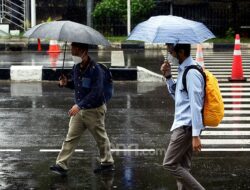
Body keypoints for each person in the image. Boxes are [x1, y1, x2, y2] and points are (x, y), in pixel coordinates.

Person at [50, 42, 114, 176]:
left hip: (94, 110)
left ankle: (107, 163)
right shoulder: (77, 67)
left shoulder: (95, 69)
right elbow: (77, 85)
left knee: (100, 138)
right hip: (79, 110)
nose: (72, 53)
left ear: (83, 51)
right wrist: (66, 83)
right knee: (70, 137)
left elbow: (96, 92)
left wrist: (79, 105)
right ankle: (61, 165)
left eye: (74, 51)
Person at [160, 44, 206, 190]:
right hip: (184, 125)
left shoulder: (191, 73)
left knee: (170, 163)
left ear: (181, 52)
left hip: (186, 127)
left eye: (170, 51)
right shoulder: (184, 70)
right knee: (183, 166)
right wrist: (168, 76)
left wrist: (196, 135)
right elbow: (179, 97)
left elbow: (196, 104)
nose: (169, 55)